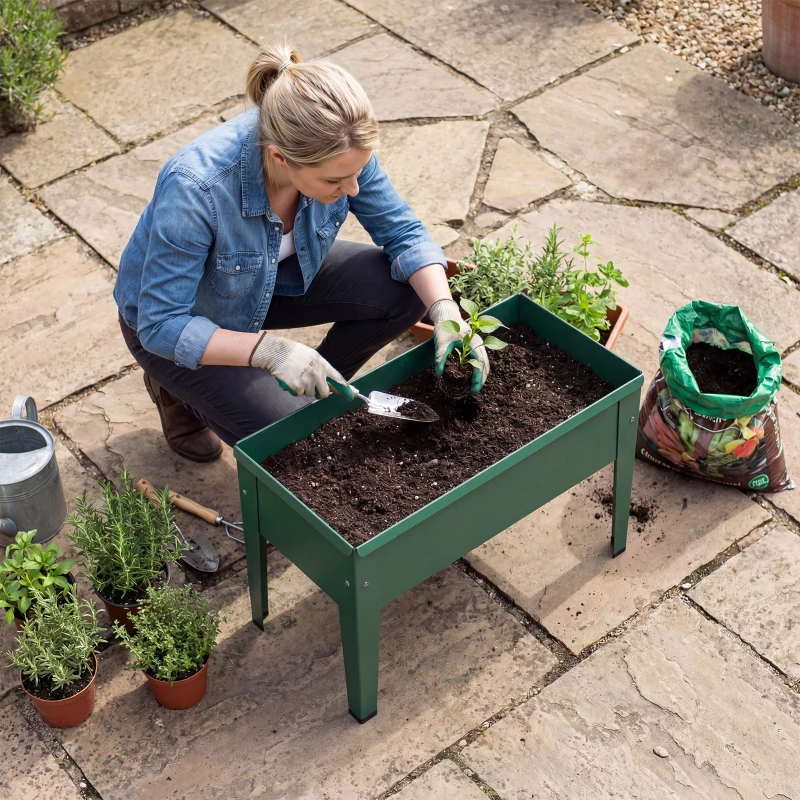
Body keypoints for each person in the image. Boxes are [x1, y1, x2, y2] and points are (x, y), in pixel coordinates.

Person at [114, 41, 490, 463]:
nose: (353, 190)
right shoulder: (196, 187)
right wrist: (270, 352)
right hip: (182, 318)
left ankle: (308, 396)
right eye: (335, 181)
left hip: (273, 282)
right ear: (280, 157)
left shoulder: (340, 148)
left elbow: (403, 231)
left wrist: (444, 312)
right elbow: (161, 323)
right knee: (290, 442)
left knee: (404, 292)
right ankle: (180, 392)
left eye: (357, 172)